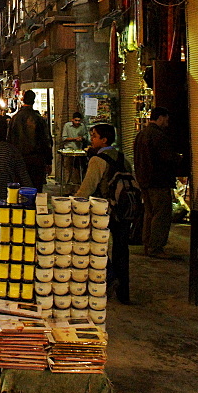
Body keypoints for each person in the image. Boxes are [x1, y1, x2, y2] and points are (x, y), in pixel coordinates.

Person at [76, 122, 131, 304]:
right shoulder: (123, 158)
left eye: (94, 136)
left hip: (104, 209)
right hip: (124, 209)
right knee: (122, 249)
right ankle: (124, 291)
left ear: (104, 140)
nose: (91, 140)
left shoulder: (98, 160)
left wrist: (74, 201)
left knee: (96, 246)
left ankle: (110, 277)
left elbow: (88, 187)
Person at [133, 107, 184, 258]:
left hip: (145, 181)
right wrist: (179, 158)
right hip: (158, 181)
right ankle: (156, 247)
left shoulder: (142, 134)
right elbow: (166, 158)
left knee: (150, 213)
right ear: (160, 118)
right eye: (166, 120)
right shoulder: (158, 136)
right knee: (161, 215)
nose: (167, 123)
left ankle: (148, 244)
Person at [8, 90, 53, 191]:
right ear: (34, 101)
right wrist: (49, 161)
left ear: (23, 100)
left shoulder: (15, 118)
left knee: (19, 192)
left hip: (19, 161)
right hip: (36, 161)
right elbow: (46, 140)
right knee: (35, 190)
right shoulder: (37, 118)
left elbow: (9, 140)